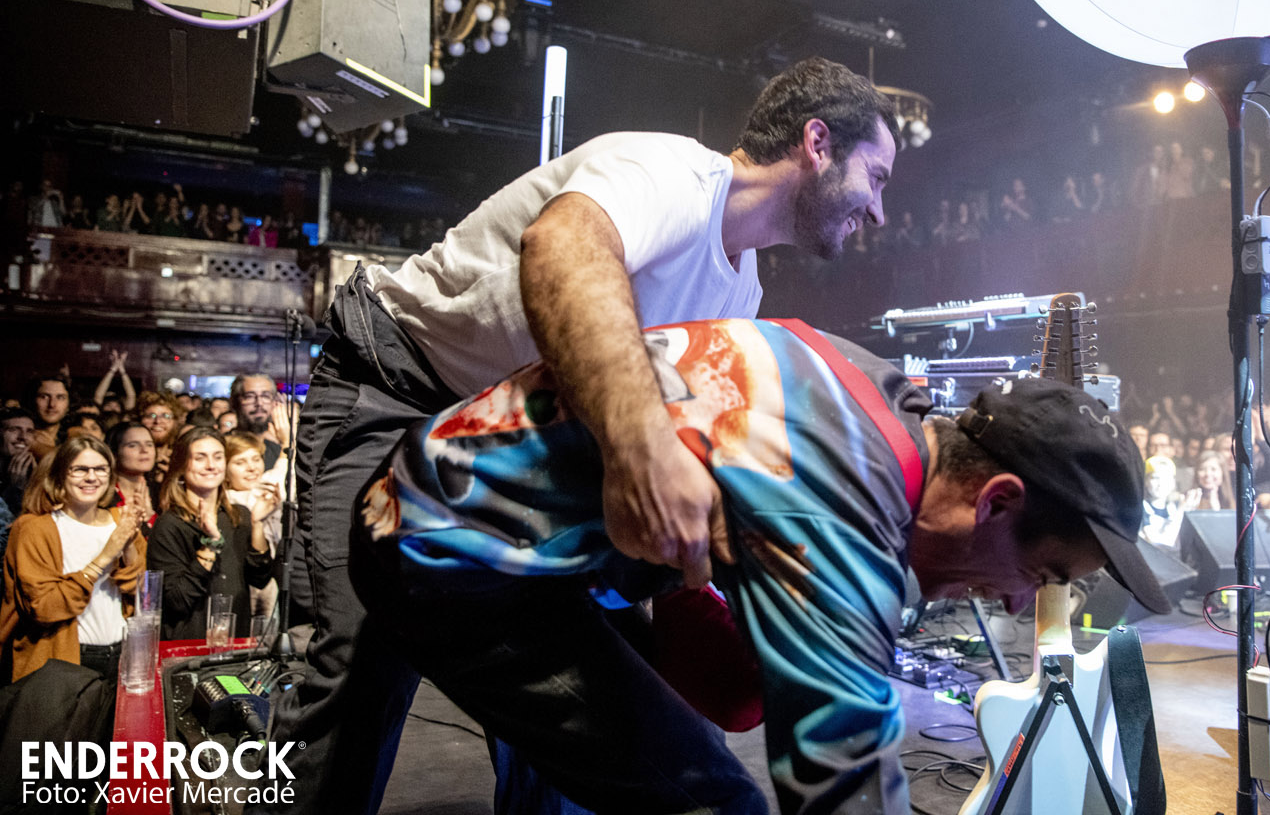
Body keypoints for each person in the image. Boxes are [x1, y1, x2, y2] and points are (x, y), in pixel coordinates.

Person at [267, 56, 899, 814]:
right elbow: (562, 244)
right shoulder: (670, 173)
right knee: (364, 671)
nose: (879, 211)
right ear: (818, 143)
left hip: (503, 451)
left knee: (558, 714)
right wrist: (641, 450)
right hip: (397, 388)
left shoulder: (745, 286)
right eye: (878, 178)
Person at [351, 318, 1170, 814]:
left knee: (606, 767)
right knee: (714, 802)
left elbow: (736, 684)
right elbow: (843, 778)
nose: (1021, 602)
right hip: (445, 545)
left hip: (494, 527)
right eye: (1045, 573)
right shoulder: (839, 507)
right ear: (996, 500)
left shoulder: (877, 398)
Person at [0, 436, 149, 682]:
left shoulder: (119, 520)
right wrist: (105, 555)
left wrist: (128, 542)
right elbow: (44, 608)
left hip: (122, 656)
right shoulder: (35, 528)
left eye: (100, 469)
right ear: (59, 475)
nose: (91, 477)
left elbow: (140, 593)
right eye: (80, 469)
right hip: (64, 660)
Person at [147, 427, 278, 641]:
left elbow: (260, 579)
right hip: (190, 649)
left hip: (235, 644)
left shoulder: (239, 516)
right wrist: (210, 544)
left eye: (218, 457)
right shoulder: (170, 524)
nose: (211, 465)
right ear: (182, 465)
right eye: (200, 458)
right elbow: (176, 601)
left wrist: (257, 524)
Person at [222, 431, 285, 620]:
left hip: (269, 585)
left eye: (256, 459)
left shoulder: (261, 492)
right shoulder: (231, 500)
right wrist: (287, 445)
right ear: (225, 470)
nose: (251, 468)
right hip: (243, 591)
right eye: (240, 462)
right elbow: (280, 478)